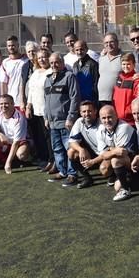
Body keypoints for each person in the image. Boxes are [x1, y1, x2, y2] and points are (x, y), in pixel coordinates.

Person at [87, 104, 137, 200]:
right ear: (100, 119)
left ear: (116, 115)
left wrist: (109, 150)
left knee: (115, 161)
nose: (107, 120)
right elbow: (103, 153)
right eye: (104, 118)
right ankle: (120, 175)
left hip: (135, 160)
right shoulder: (100, 130)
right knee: (103, 168)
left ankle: (126, 189)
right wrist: (113, 150)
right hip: (122, 159)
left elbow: (122, 152)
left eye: (110, 117)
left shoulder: (124, 127)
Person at [44, 53, 80, 185]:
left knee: (69, 149)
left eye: (57, 62)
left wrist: (71, 117)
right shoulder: (47, 79)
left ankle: (72, 174)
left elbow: (75, 98)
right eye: (52, 63)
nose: (54, 65)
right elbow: (46, 100)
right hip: (52, 123)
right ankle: (62, 171)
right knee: (57, 149)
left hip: (65, 122)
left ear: (62, 63)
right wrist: (46, 117)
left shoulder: (69, 77)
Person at [0, 94, 32, 173]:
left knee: (21, 154)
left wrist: (8, 163)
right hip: (7, 140)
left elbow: (16, 142)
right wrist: (0, 135)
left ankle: (27, 157)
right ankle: (2, 159)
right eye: (1, 104)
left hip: (20, 142)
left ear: (12, 104)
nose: (3, 106)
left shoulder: (19, 118)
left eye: (6, 103)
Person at [25, 48, 53, 172]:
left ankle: (52, 160)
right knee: (38, 136)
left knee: (48, 137)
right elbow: (31, 90)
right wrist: (28, 106)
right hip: (35, 109)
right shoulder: (36, 72)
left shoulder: (52, 71)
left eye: (44, 57)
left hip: (46, 110)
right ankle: (43, 159)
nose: (42, 59)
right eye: (40, 57)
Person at [67, 101, 102, 188]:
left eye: (90, 111)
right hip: (93, 152)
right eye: (84, 111)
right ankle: (87, 178)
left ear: (95, 111)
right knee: (71, 152)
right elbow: (71, 141)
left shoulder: (102, 123)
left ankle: (113, 176)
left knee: (104, 170)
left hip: (104, 153)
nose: (87, 114)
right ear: (80, 113)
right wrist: (81, 149)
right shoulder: (79, 121)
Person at [113, 53, 139, 125]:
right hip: (118, 118)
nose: (126, 66)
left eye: (128, 64)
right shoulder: (120, 77)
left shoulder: (137, 81)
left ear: (134, 65)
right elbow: (115, 96)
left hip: (130, 120)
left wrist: (128, 113)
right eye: (123, 64)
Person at [2, 36, 29, 111]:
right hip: (11, 101)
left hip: (25, 100)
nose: (11, 47)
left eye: (13, 45)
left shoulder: (26, 60)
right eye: (9, 46)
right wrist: (3, 100)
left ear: (18, 45)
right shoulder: (5, 62)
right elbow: (3, 83)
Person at [97, 32, 122, 107]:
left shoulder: (124, 58)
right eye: (106, 43)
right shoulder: (101, 58)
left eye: (111, 42)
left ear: (117, 42)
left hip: (117, 99)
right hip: (102, 99)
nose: (109, 45)